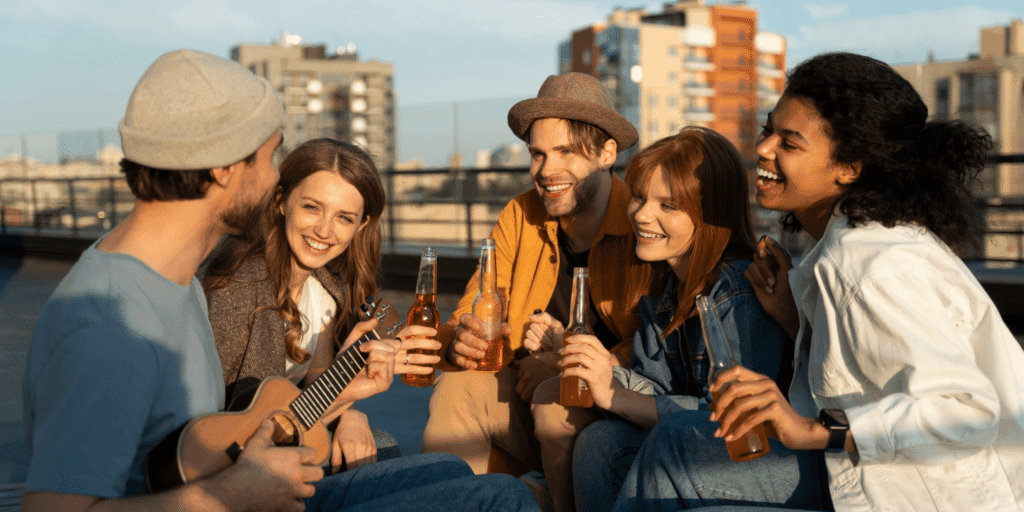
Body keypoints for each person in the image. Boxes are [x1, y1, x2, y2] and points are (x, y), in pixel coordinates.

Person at [21, 48, 537, 512]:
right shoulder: (109, 322)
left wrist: (341, 394)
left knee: (451, 472)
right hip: (237, 501)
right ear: (225, 167)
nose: (275, 179)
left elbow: (234, 432)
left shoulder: (175, 289)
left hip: (251, 494)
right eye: (269, 156)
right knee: (499, 496)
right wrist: (234, 494)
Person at [612, 52, 1024, 512]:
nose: (764, 149)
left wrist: (814, 430)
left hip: (928, 495)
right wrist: (794, 319)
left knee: (675, 446)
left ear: (848, 168)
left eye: (789, 143)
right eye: (769, 130)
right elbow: (864, 372)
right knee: (640, 447)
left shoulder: (871, 263)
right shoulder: (837, 245)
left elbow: (969, 412)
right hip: (867, 476)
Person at [421, 72, 662, 507]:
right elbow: (475, 306)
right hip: (526, 396)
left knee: (556, 398)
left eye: (565, 152)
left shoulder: (639, 222)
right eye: (537, 154)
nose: (546, 170)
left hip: (614, 411)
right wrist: (463, 339)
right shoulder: (520, 214)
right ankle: (451, 502)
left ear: (607, 153)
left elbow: (653, 346)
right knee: (457, 390)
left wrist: (561, 359)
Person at [563, 127, 795, 512]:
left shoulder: (737, 290)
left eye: (667, 206)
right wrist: (600, 367)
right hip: (702, 444)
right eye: (638, 197)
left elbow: (733, 418)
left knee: (635, 442)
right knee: (601, 442)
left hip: (770, 455)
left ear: (711, 216)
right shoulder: (670, 290)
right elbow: (658, 390)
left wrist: (613, 395)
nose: (640, 214)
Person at [202, 138, 441, 472]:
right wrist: (348, 407)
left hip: (283, 438)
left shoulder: (330, 295)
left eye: (344, 217)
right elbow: (220, 426)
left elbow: (312, 398)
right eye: (312, 207)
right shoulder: (238, 286)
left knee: (393, 450)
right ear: (282, 201)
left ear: (362, 225)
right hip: (231, 467)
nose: (325, 230)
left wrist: (350, 407)